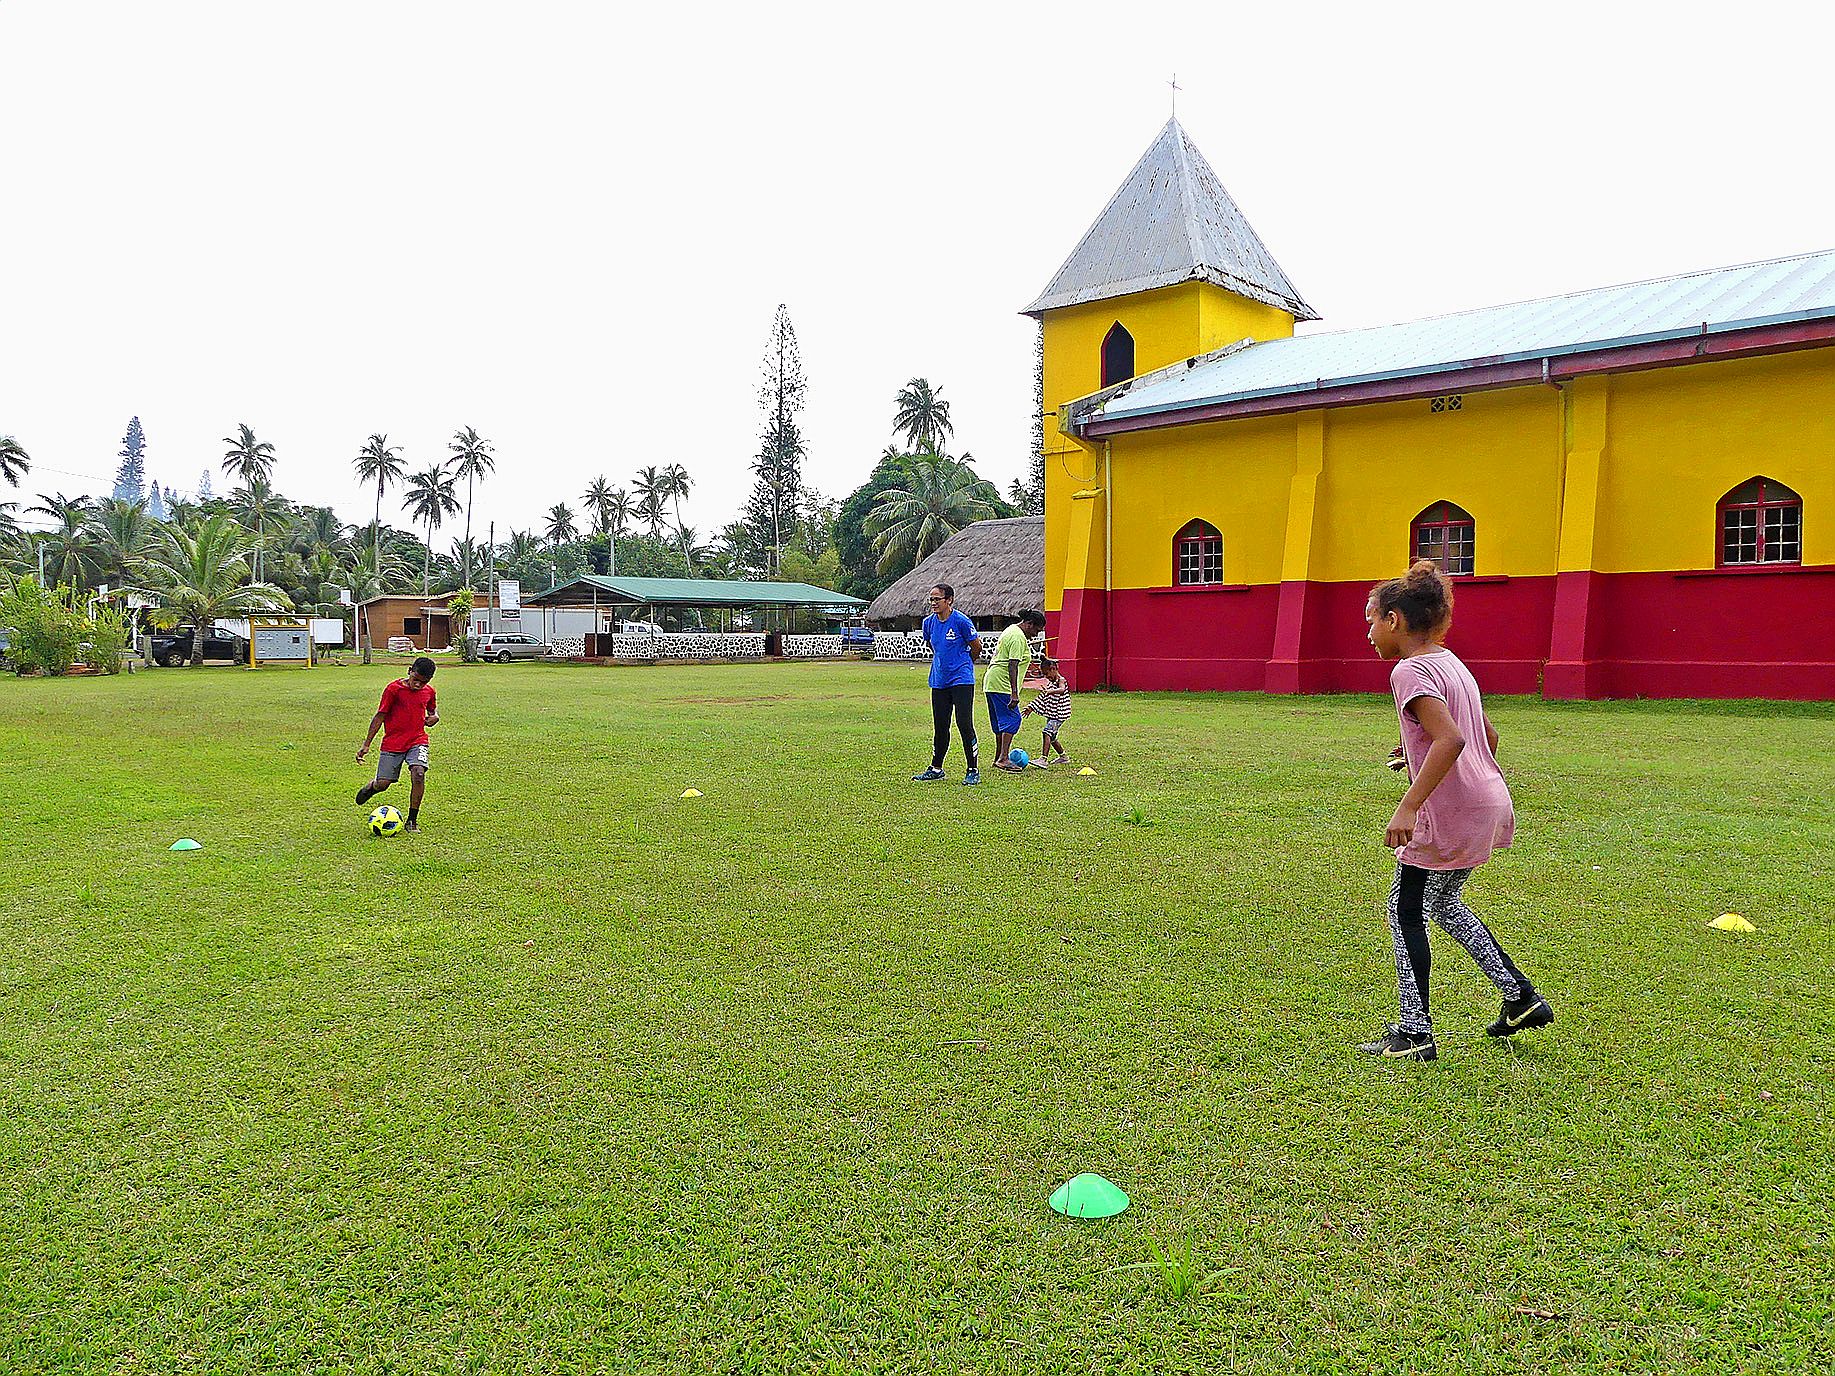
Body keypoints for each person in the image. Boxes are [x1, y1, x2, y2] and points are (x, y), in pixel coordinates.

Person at [1360, 561, 1552, 1061]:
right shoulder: (1452, 663)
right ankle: (1521, 998)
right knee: (1441, 904)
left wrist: (1407, 807)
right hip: (1487, 799)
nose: (1369, 634)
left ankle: (1415, 1032)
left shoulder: (1409, 670)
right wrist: (1415, 750)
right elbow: (1486, 735)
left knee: (1404, 912)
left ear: (1395, 620)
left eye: (1372, 621)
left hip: (1448, 810)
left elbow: (1452, 738)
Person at [356, 656, 440, 833]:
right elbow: (380, 716)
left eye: (423, 682)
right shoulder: (393, 689)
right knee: (384, 783)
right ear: (410, 670)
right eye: (415, 680)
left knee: (419, 773)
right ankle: (373, 786)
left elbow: (432, 710)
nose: (418, 685)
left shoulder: (429, 691)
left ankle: (412, 820)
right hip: (393, 743)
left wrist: (434, 717)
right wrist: (366, 744)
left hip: (418, 740)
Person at [912, 584, 982, 785]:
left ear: (949, 600)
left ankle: (972, 769)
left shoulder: (960, 621)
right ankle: (936, 768)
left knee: (964, 724)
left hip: (961, 680)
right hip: (939, 681)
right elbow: (932, 646)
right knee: (940, 726)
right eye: (931, 599)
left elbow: (976, 646)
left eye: (937, 599)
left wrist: (964, 664)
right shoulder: (928, 623)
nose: (933, 603)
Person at [986, 609, 1045, 770]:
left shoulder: (1011, 630)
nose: (1036, 635)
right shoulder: (1018, 637)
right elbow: (1013, 665)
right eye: (1036, 630)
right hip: (1002, 684)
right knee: (1013, 719)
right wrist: (1014, 693)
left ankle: (998, 757)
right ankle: (1003, 758)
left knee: (1000, 723)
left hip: (992, 683)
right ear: (1029, 624)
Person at [1020, 655, 1072, 766]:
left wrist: (1051, 691)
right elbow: (1042, 698)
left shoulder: (1061, 680)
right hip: (1052, 714)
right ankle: (1063, 757)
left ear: (1053, 669)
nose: (1046, 677)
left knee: (1047, 732)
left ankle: (1043, 759)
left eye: (1047, 674)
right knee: (1052, 737)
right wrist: (1031, 707)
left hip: (1059, 715)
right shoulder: (1050, 683)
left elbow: (1062, 690)